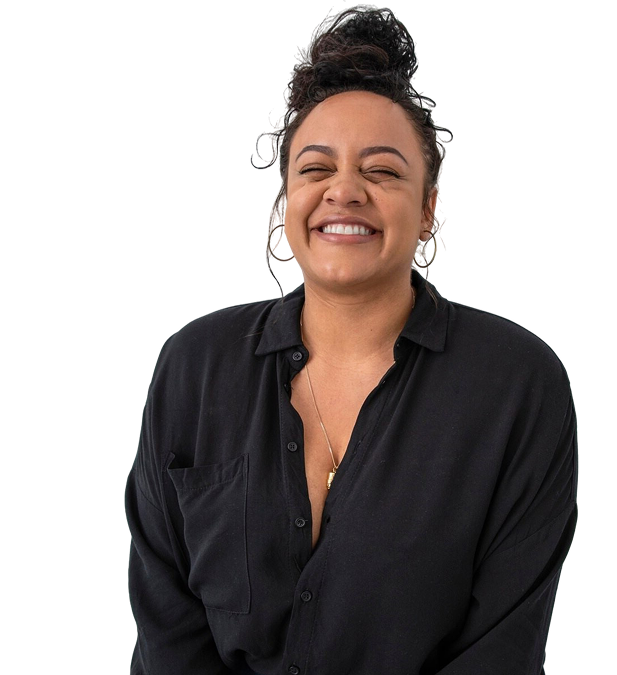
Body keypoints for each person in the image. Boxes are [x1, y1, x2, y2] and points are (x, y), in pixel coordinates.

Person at [125, 5, 578, 674]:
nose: (344, 191)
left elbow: (502, 647)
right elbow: (167, 626)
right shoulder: (193, 364)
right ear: (283, 199)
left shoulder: (517, 386)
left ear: (428, 207)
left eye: (382, 171)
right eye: (315, 169)